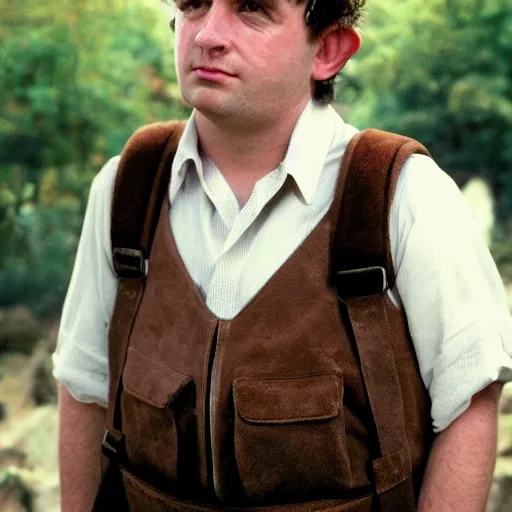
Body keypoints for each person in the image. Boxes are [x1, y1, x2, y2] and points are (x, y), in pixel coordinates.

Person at [53, 0, 512, 511]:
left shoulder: (404, 195)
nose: (208, 34)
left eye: (252, 9)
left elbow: (468, 406)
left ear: (328, 50)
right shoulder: (126, 189)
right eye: (194, 5)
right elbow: (84, 390)